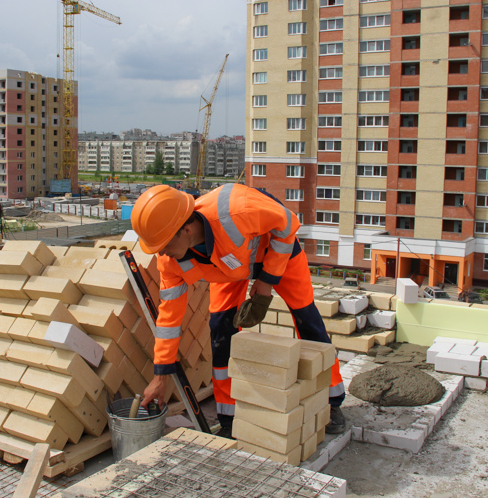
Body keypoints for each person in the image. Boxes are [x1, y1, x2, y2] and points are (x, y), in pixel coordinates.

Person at [131, 183, 346, 438]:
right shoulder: (170, 261)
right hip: (229, 272)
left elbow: (288, 224)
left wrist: (267, 280)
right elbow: (169, 319)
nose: (161, 253)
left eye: (163, 245)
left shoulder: (236, 209)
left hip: (278, 254)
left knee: (307, 319)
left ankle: (332, 402)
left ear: (186, 230)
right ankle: (229, 417)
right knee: (221, 332)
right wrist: (161, 374)